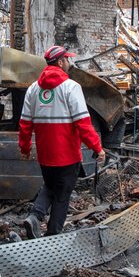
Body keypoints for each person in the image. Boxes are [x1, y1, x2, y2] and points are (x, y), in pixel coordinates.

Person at [18, 45, 105, 238]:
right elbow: (83, 123)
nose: (69, 63)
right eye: (67, 59)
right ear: (60, 62)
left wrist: (24, 148)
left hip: (45, 155)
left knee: (50, 187)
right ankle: (52, 235)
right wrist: (97, 148)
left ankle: (35, 216)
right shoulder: (71, 87)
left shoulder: (33, 89)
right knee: (62, 195)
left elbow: (24, 124)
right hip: (67, 155)